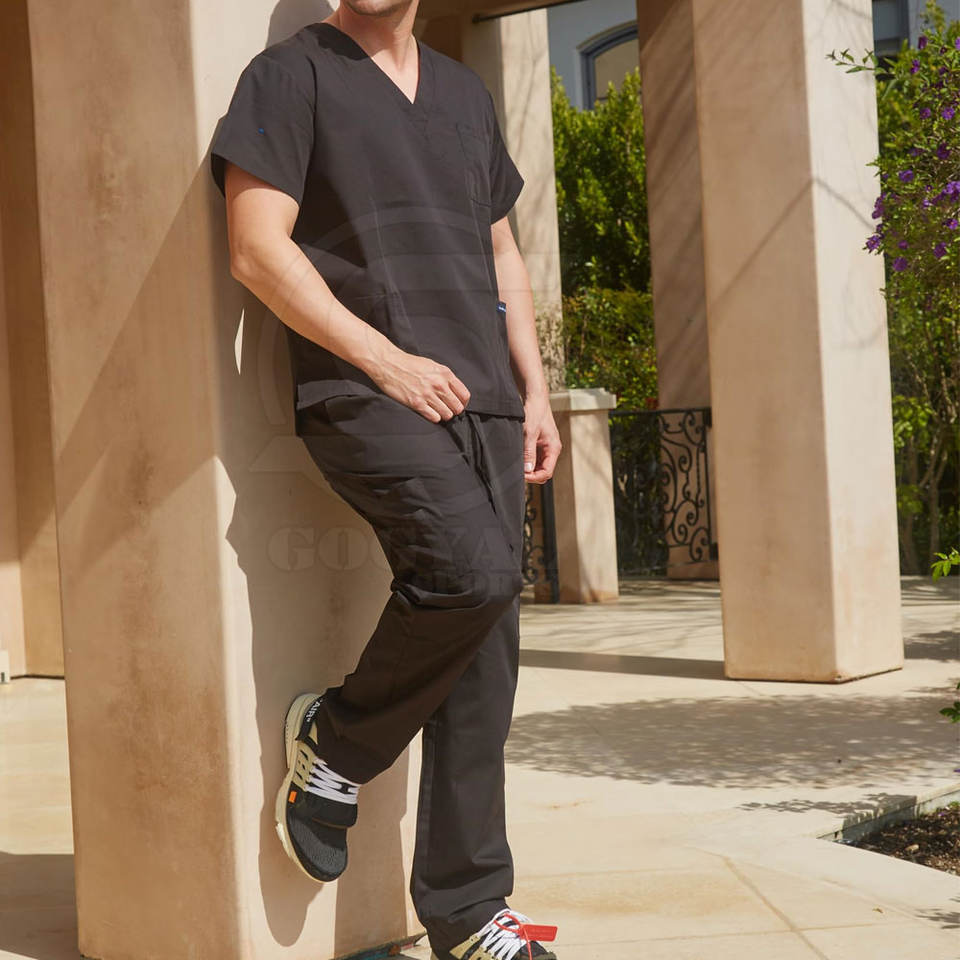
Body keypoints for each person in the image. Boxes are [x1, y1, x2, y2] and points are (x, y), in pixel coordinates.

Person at [209, 2, 562, 958]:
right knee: (471, 576)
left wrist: (535, 389)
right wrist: (386, 361)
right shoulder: (289, 77)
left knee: (487, 661)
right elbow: (256, 248)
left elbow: (501, 253)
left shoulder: (463, 93)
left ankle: (469, 910)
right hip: (365, 392)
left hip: (486, 399)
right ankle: (336, 744)